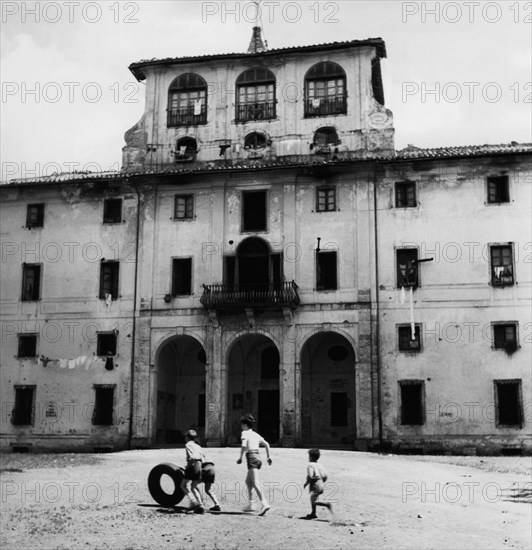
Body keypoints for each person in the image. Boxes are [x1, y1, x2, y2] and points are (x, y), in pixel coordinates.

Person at [236, 414, 272, 516]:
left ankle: (264, 503)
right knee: (248, 481)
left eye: (242, 425)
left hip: (251, 457)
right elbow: (267, 444)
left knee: (255, 482)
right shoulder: (256, 434)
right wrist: (268, 457)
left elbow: (243, 445)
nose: (241, 426)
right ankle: (251, 504)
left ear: (245, 425)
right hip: (258, 457)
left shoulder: (244, 433)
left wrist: (240, 457)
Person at [180, 429, 205, 513]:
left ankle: (193, 502)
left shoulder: (188, 444)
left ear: (187, 437)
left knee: (183, 485)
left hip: (193, 465)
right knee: (193, 486)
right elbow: (202, 457)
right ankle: (201, 505)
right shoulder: (198, 446)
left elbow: (192, 457)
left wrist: (187, 467)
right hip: (199, 464)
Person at [303, 448, 333, 519]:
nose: (308, 457)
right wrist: (321, 482)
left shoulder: (310, 465)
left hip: (315, 484)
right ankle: (313, 513)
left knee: (314, 500)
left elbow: (310, 476)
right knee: (313, 498)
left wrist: (306, 483)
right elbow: (325, 476)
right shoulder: (320, 465)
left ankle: (326, 504)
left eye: (309, 456)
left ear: (311, 457)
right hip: (321, 483)